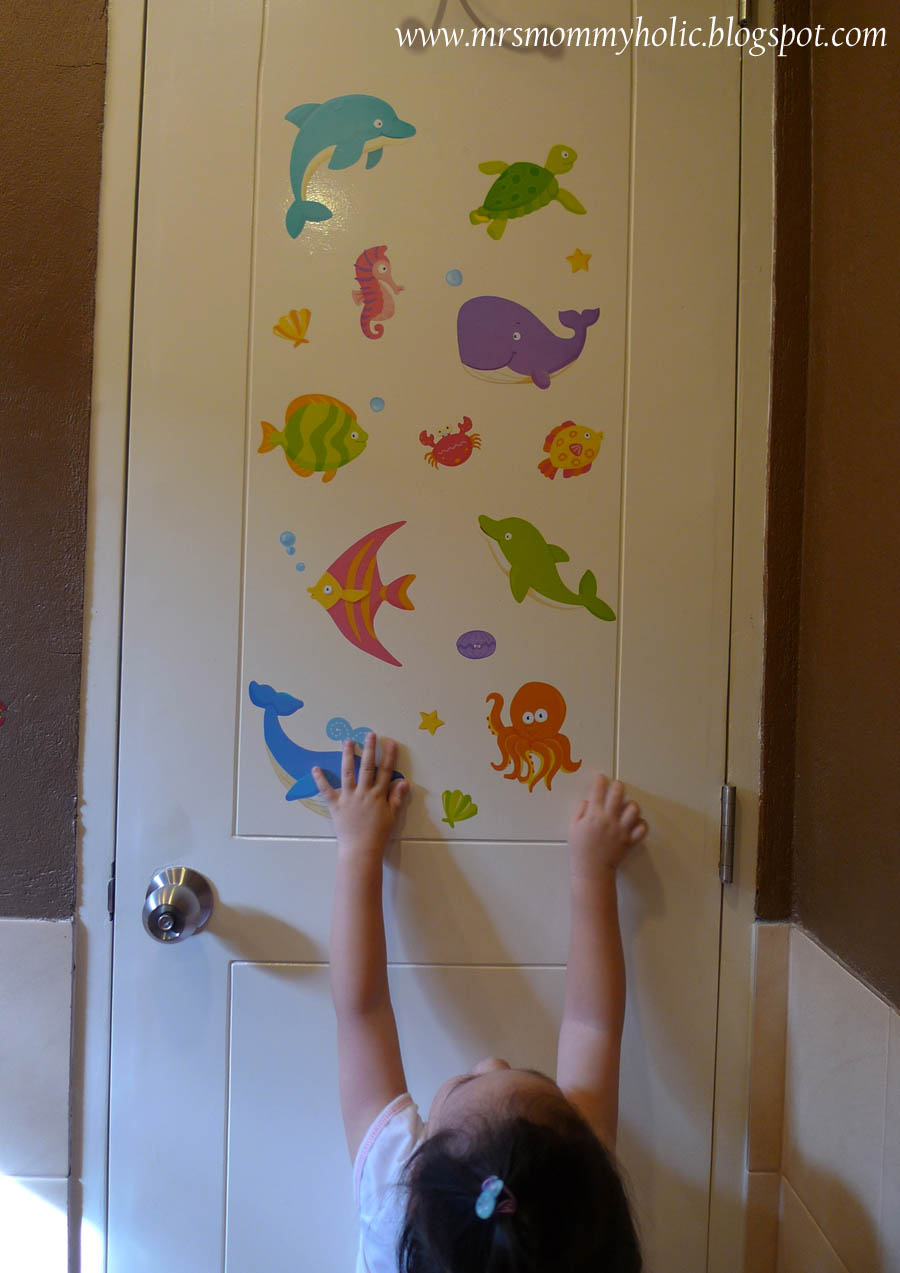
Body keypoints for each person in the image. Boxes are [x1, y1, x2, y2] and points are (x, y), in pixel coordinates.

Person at [314, 732, 647, 1273]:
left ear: (416, 1178)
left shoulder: (572, 1203)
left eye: (468, 1082)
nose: (492, 1060)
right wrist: (594, 873)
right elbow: (593, 1026)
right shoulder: (571, 1184)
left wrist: (358, 848)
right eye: (527, 1074)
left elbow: (361, 1010)